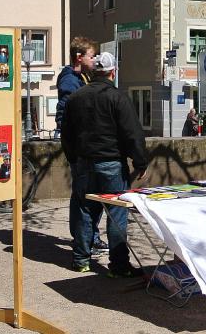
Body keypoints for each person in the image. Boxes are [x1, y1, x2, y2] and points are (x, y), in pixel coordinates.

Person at [61, 52, 148, 277]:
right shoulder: (117, 97)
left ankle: (81, 259)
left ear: (92, 71)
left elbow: (66, 133)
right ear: (112, 72)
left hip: (83, 163)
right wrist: (140, 161)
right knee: (116, 214)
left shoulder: (76, 97)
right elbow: (132, 133)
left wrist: (74, 159)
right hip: (111, 163)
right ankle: (118, 266)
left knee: (84, 211)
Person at [56, 37, 108, 255]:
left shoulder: (83, 77)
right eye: (90, 55)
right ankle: (83, 238)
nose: (94, 59)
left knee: (90, 195)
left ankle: (90, 236)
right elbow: (64, 115)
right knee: (82, 196)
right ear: (79, 57)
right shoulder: (70, 79)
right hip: (80, 148)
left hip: (87, 146)